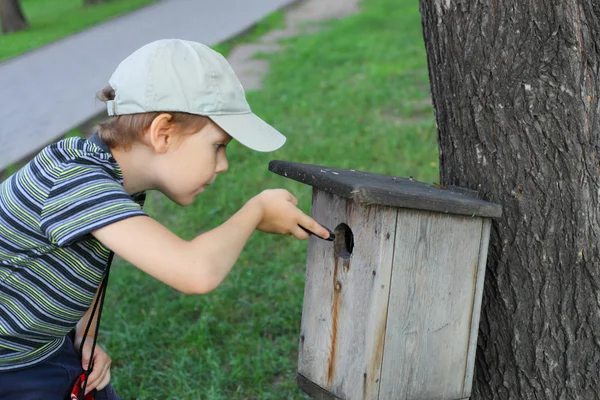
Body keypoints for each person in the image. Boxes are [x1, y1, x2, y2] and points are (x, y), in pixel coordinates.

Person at [0, 39, 330, 399]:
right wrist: (256, 212)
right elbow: (195, 273)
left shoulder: (109, 175)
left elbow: (86, 261)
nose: (224, 165)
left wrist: (85, 334)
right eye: (218, 146)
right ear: (162, 133)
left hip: (42, 348)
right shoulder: (73, 181)